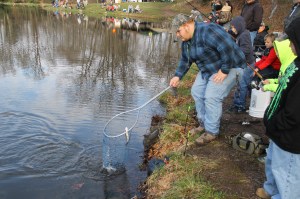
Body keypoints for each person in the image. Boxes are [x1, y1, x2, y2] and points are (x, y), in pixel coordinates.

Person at [170, 14, 246, 145]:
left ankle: (211, 131)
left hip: (231, 66)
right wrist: (178, 75)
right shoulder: (186, 42)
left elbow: (228, 46)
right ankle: (203, 123)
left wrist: (224, 70)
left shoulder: (208, 30)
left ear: (186, 26)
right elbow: (185, 60)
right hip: (209, 69)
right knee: (196, 92)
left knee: (211, 96)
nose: (177, 35)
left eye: (178, 31)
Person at [255, 17, 300, 199]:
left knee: (287, 180)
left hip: (290, 140)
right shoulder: (295, 64)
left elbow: (294, 114)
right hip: (278, 134)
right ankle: (270, 189)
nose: (289, 46)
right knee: (273, 165)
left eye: (293, 41)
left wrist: (274, 123)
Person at [227, 16, 255, 113]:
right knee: (239, 84)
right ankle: (236, 103)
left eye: (233, 27)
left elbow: (247, 50)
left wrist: (235, 51)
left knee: (242, 85)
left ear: (239, 26)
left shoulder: (244, 35)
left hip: (248, 65)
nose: (232, 29)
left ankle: (241, 105)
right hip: (243, 64)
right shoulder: (241, 34)